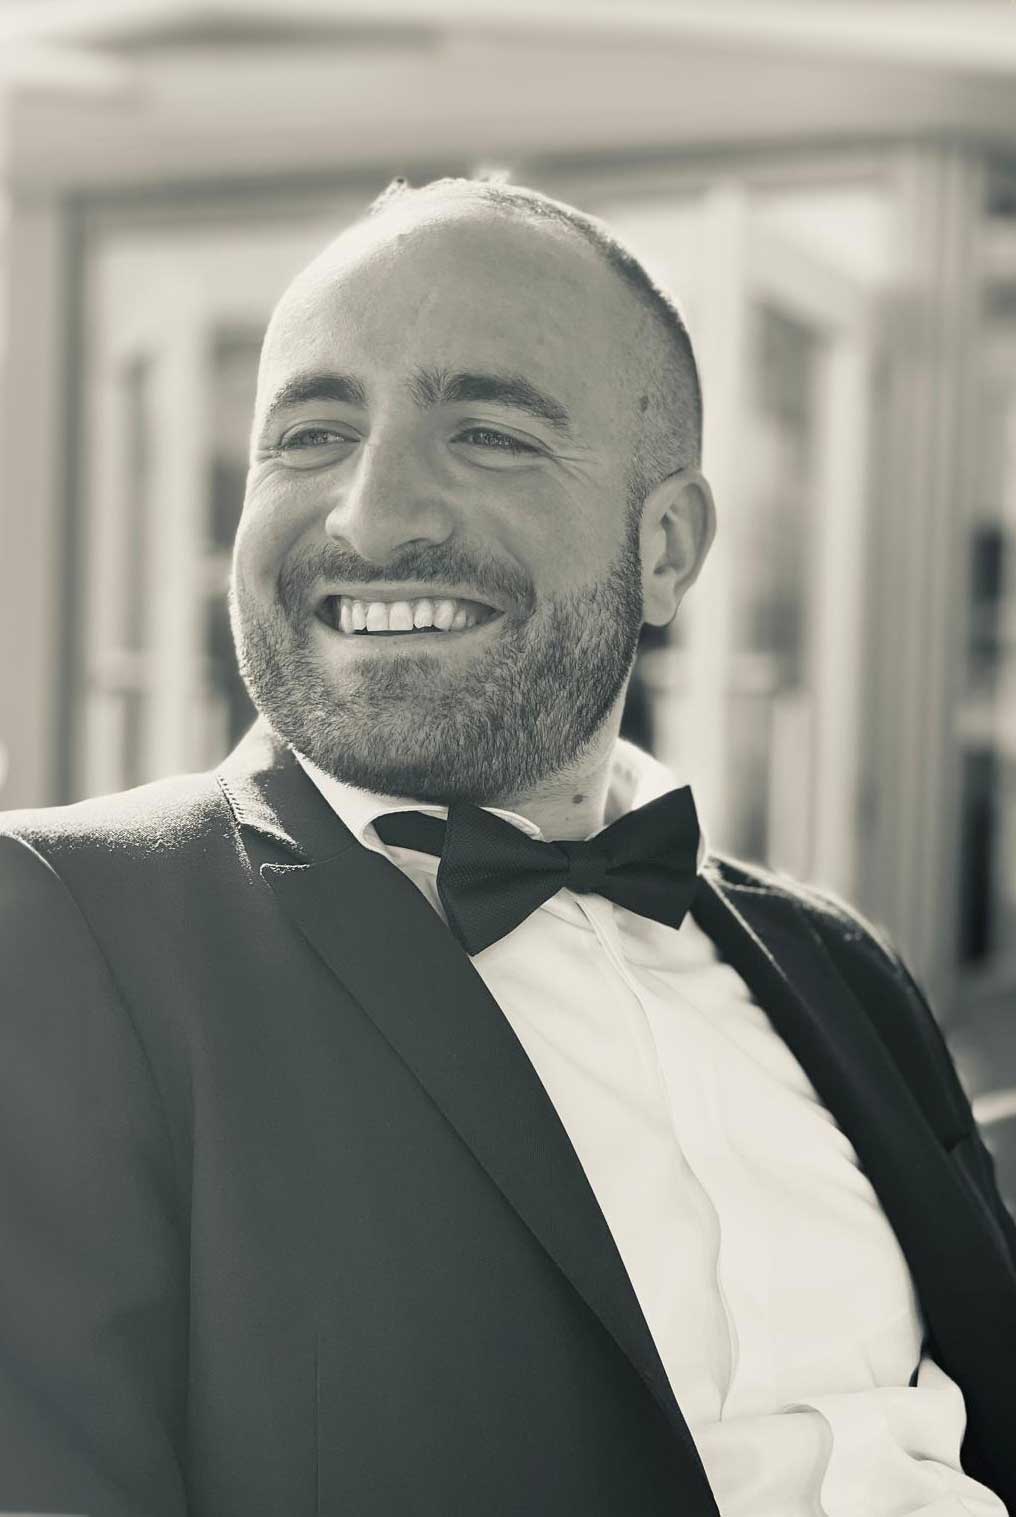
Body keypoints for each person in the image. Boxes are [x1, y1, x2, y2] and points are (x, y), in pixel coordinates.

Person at [1, 175, 1013, 1517]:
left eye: (486, 435)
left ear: (666, 547)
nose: (371, 516)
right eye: (310, 435)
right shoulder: (60, 926)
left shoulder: (839, 966)